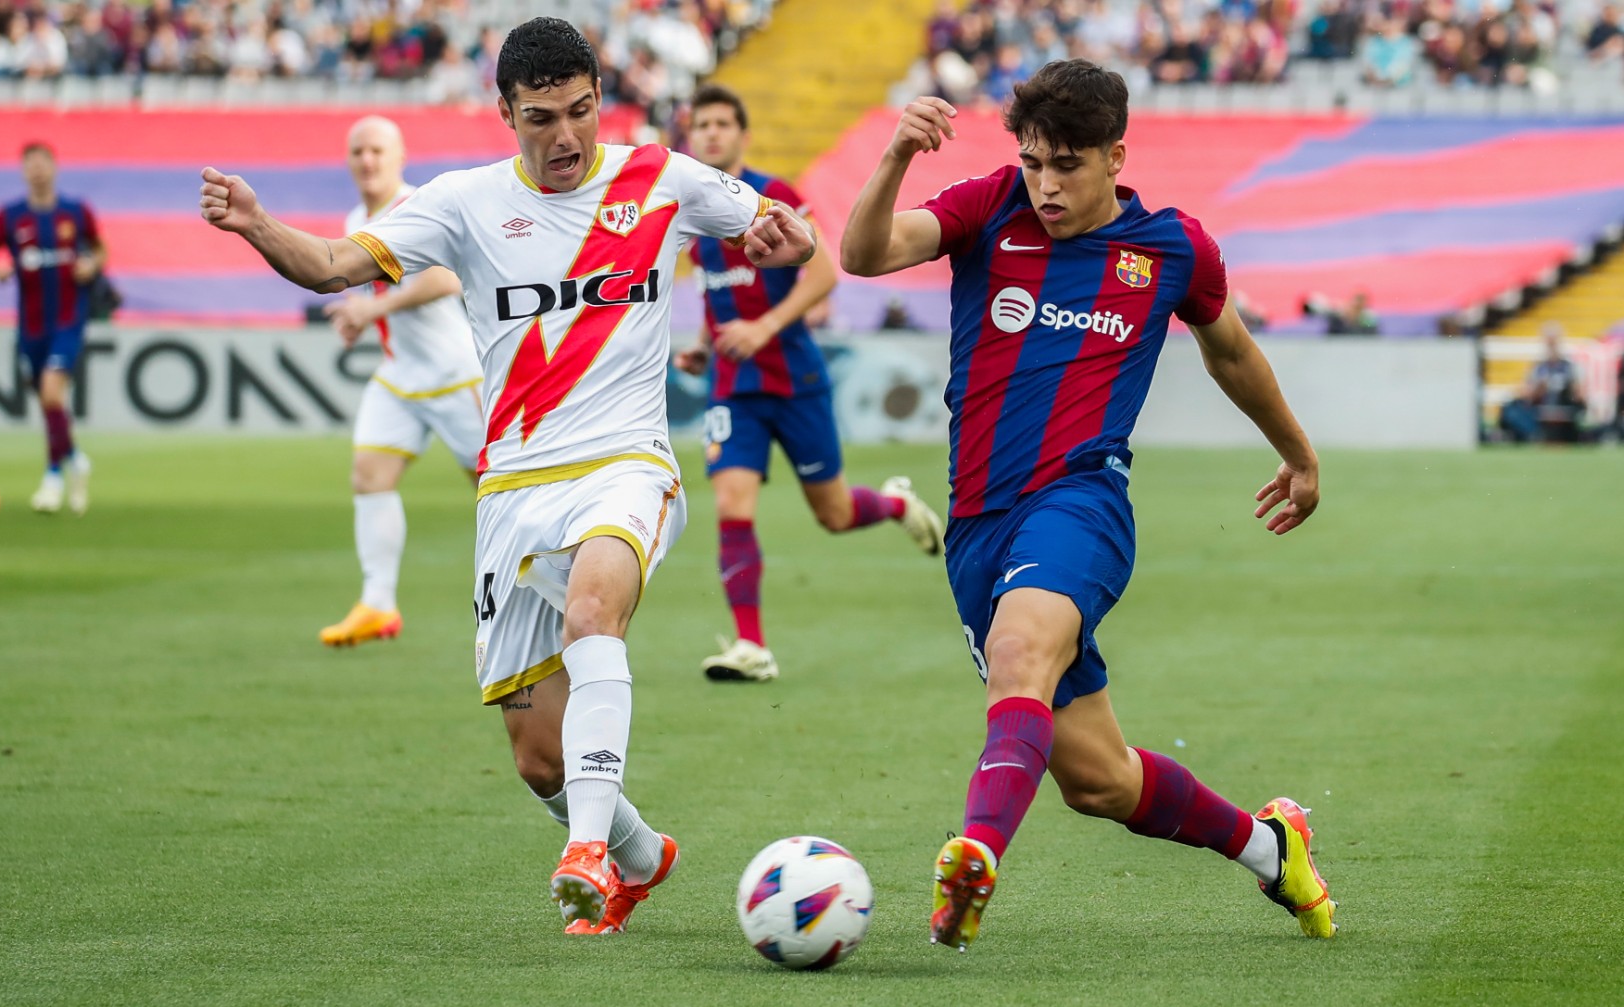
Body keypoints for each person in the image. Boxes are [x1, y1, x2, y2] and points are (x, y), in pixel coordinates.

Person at [199, 17, 815, 934]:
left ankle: (589, 855)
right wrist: (255, 224)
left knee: (594, 609)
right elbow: (331, 267)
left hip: (628, 462)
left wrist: (787, 238)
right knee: (537, 760)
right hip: (514, 488)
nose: (564, 137)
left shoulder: (663, 176)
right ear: (504, 112)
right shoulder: (462, 203)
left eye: (579, 111)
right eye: (540, 118)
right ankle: (643, 855)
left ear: (601, 99)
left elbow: (788, 233)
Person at [838, 60, 1334, 951]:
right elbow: (865, 254)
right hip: (977, 524)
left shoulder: (1172, 247)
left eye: (1066, 164)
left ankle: (976, 857)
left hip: (1082, 499)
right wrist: (894, 157)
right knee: (1099, 780)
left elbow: (1230, 352)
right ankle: (1272, 847)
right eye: (1033, 162)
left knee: (1017, 650)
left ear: (1116, 156)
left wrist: (1296, 452)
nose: (1046, 184)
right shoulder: (992, 208)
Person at [674, 83, 945, 683]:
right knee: (730, 502)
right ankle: (752, 646)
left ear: (743, 134)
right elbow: (723, 301)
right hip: (734, 387)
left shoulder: (774, 197)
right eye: (702, 125)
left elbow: (823, 275)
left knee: (836, 512)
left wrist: (762, 328)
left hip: (794, 379)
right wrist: (700, 347)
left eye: (723, 123)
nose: (711, 134)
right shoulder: (694, 220)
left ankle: (896, 503)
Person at [317, 116, 486, 648]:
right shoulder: (357, 217)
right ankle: (378, 603)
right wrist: (359, 314)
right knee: (369, 476)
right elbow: (382, 295)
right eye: (358, 151)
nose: (367, 160)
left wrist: (374, 308)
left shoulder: (418, 207)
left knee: (499, 490)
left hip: (455, 374)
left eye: (377, 151)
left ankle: (543, 589)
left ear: (400, 156)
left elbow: (446, 278)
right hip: (401, 375)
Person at [0, 142, 106, 516]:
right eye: (29, 164)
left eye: (42, 163)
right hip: (30, 323)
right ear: (22, 171)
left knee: (50, 394)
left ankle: (53, 477)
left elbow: (101, 250)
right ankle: (76, 459)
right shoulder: (12, 216)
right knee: (50, 402)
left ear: (54, 167)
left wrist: (92, 265)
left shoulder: (76, 212)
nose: (37, 170)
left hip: (68, 317)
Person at [1500, 323, 1584, 443]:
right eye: (1549, 342)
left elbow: (1579, 396)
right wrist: (1539, 389)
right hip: (1540, 411)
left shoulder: (1569, 367)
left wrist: (1570, 390)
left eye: (1553, 341)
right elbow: (1526, 396)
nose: (1551, 346)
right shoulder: (1538, 367)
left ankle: (1536, 435)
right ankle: (1535, 434)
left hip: (1564, 409)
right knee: (1511, 410)